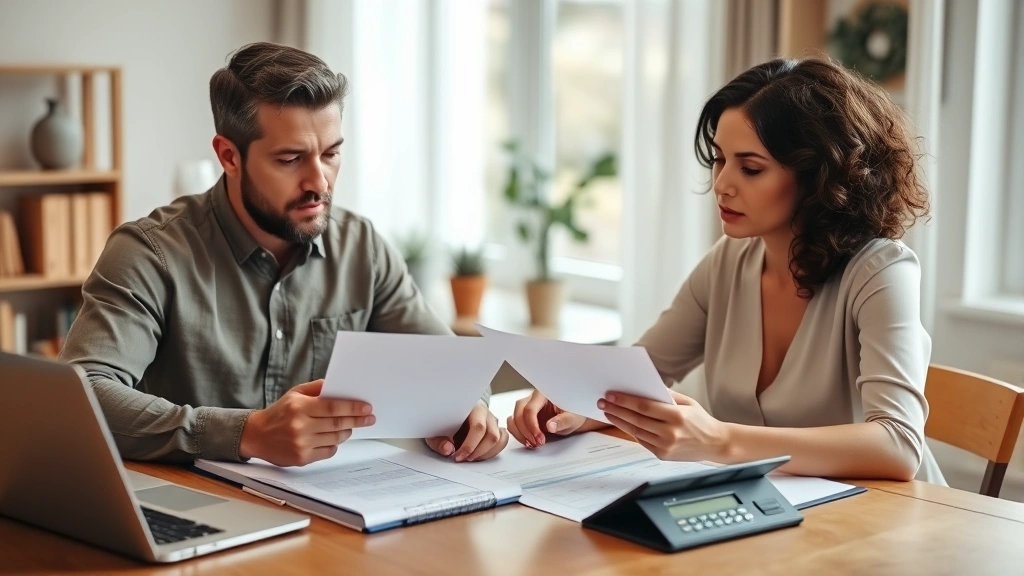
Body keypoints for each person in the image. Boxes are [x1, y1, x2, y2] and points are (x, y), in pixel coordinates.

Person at [60, 42, 507, 467]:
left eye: (331, 154)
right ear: (229, 156)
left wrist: (469, 408)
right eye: (291, 159)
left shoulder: (361, 248)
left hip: (327, 516)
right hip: (192, 510)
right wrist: (246, 433)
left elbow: (449, 368)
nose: (320, 182)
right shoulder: (149, 254)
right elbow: (81, 395)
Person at [507, 57, 945, 483]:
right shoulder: (728, 262)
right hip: (774, 518)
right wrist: (575, 400)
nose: (721, 184)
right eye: (719, 159)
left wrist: (718, 441)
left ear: (818, 178)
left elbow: (898, 445)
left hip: (889, 525)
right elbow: (641, 375)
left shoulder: (880, 272)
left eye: (750, 168)